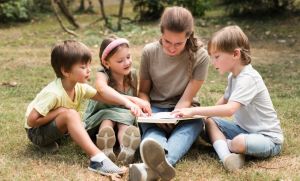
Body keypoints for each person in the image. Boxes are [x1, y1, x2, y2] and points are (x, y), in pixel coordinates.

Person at [172, 25, 284, 171]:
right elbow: (224, 100)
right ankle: (227, 158)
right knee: (211, 123)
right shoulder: (234, 76)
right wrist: (203, 118)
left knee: (239, 142)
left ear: (235, 54)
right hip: (243, 130)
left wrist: (193, 111)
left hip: (268, 139)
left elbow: (229, 109)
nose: (213, 62)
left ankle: (227, 146)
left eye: (217, 57)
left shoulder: (249, 78)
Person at [24, 40, 143, 176]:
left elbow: (105, 97)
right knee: (71, 115)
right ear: (66, 71)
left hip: (55, 131)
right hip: (36, 132)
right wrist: (60, 111)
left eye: (88, 65)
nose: (89, 69)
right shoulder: (53, 93)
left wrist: (134, 101)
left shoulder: (79, 87)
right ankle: (98, 160)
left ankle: (48, 143)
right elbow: (31, 121)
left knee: (73, 117)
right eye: (83, 67)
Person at [129, 6, 210, 181]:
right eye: (167, 41)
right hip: (155, 109)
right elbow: (143, 92)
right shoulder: (150, 52)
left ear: (188, 36)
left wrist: (174, 117)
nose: (172, 48)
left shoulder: (200, 56)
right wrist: (149, 110)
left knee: (195, 124)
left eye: (178, 43)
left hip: (185, 110)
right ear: (161, 34)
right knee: (151, 130)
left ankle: (162, 162)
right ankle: (160, 161)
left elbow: (187, 98)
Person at [83, 36, 151, 165]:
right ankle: (105, 145)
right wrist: (131, 101)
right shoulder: (102, 74)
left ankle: (126, 149)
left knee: (124, 120)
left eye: (128, 57)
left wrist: (139, 105)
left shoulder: (133, 75)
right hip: (99, 116)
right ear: (106, 63)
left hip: (123, 116)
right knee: (108, 119)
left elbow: (132, 102)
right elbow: (103, 90)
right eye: (120, 60)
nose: (127, 63)